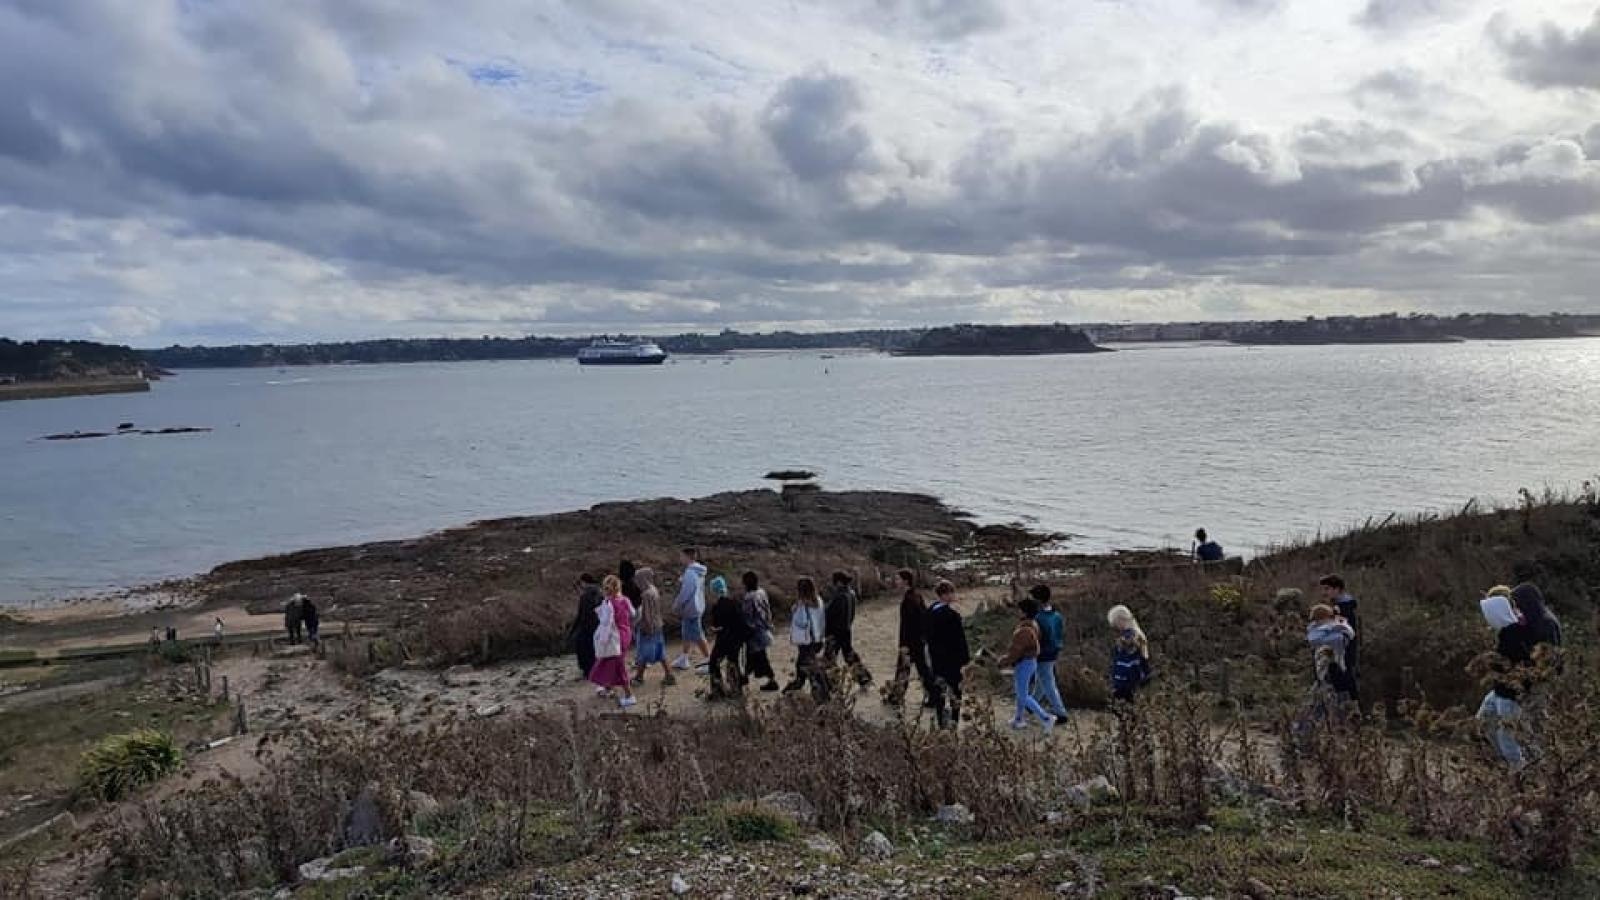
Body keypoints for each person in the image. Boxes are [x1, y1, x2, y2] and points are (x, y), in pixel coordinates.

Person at [1478, 578, 1563, 769]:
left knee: (1514, 735)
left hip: (1522, 689)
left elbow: (1544, 661)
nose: (1515, 609)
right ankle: (1517, 767)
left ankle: (1526, 772)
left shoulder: (1545, 625)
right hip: (1507, 687)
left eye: (1517, 604)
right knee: (1486, 721)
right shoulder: (1529, 622)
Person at [998, 596, 1056, 732]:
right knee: (1021, 692)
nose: (1017, 612)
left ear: (1024, 612)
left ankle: (1046, 718)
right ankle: (1018, 719)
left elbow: (1016, 652)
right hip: (1030, 662)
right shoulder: (1033, 624)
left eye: (1019, 610)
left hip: (1024, 663)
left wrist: (1002, 661)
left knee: (1022, 695)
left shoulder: (1023, 630)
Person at [924, 580, 970, 729]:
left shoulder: (930, 611)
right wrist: (965, 659)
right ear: (946, 594)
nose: (953, 596)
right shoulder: (952, 615)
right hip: (952, 659)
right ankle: (954, 721)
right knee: (955, 691)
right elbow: (960, 640)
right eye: (951, 593)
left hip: (936, 657)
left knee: (939, 689)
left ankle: (941, 720)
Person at [886, 569, 933, 707]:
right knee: (922, 670)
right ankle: (935, 696)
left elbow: (909, 625)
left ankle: (896, 697)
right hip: (918, 640)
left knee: (904, 669)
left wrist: (905, 644)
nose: (896, 581)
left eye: (898, 579)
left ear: (905, 581)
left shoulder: (909, 600)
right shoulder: (916, 596)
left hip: (910, 641)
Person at [590, 575, 637, 708]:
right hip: (626, 633)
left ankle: (629, 695)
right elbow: (633, 613)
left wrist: (601, 640)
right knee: (611, 662)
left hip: (615, 636)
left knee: (616, 664)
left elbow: (606, 622)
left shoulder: (608, 603)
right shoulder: (625, 600)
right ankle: (608, 687)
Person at [822, 571, 873, 687]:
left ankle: (831, 683)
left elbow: (829, 614)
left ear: (838, 582)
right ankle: (863, 677)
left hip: (834, 631)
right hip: (846, 629)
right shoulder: (851, 594)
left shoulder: (839, 596)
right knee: (849, 655)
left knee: (829, 658)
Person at [1030, 585, 1070, 720]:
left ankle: (1060, 712)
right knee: (1042, 679)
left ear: (1038, 600)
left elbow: (1037, 637)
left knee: (1047, 681)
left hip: (1043, 653)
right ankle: (1032, 703)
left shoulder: (1038, 618)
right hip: (1054, 651)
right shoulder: (1056, 615)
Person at [785, 577, 828, 698]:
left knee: (807, 666)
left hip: (806, 640)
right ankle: (802, 686)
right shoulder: (819, 601)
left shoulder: (802, 605)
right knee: (808, 664)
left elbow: (801, 622)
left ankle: (818, 691)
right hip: (818, 638)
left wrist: (795, 609)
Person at [1305, 604, 1357, 703]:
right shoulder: (1316, 631)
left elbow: (1347, 636)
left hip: (1337, 666)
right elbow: (1314, 640)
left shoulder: (1336, 628)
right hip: (1326, 667)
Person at [631, 567, 674, 687]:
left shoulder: (645, 594)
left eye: (638, 579)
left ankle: (639, 677)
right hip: (658, 625)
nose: (636, 582)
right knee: (661, 652)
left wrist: (646, 628)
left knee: (642, 653)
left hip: (648, 628)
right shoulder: (654, 590)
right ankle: (669, 675)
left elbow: (647, 614)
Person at [705, 575, 746, 698]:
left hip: (724, 639)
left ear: (714, 591)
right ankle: (736, 689)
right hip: (737, 639)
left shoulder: (717, 607)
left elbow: (717, 626)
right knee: (733, 662)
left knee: (713, 662)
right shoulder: (735, 602)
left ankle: (717, 690)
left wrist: (714, 629)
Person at [1318, 575, 1359, 692]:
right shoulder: (1339, 607)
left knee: (1345, 687)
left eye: (1327, 589)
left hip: (1343, 654)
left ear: (1337, 589)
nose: (1324, 592)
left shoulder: (1344, 608)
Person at [740, 571, 779, 692]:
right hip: (763, 628)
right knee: (756, 656)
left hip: (754, 632)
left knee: (758, 657)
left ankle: (746, 678)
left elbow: (747, 617)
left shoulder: (749, 598)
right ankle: (744, 678)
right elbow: (767, 610)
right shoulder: (761, 592)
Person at [672, 547, 710, 671]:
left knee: (697, 634)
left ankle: (709, 659)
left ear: (687, 557)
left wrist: (677, 605)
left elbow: (686, 592)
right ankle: (684, 657)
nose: (680, 558)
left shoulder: (690, 572)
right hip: (696, 606)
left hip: (691, 608)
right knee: (686, 632)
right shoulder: (697, 571)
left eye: (682, 556)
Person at [1107, 605, 1152, 702]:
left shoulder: (1129, 639)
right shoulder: (1138, 636)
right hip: (1131, 681)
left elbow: (1128, 662)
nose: (1116, 629)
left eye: (1115, 625)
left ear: (1120, 621)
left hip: (1125, 683)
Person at [570, 574, 602, 678]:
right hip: (599, 626)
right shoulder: (600, 593)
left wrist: (573, 630)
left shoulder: (585, 596)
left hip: (587, 627)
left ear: (584, 582)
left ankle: (588, 672)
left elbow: (581, 615)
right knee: (595, 650)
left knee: (584, 650)